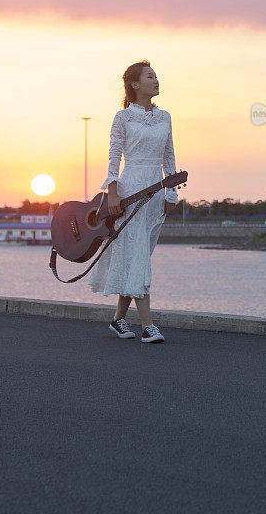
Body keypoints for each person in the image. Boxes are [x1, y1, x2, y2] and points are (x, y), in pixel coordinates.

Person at [87, 60, 179, 343]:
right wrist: (113, 192)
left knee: (138, 255)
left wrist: (172, 192)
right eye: (150, 76)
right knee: (137, 254)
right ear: (135, 84)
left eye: (156, 76)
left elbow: (169, 156)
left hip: (155, 193)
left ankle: (118, 320)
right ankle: (149, 325)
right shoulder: (123, 118)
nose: (156, 80)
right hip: (131, 190)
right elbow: (114, 157)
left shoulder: (165, 117)